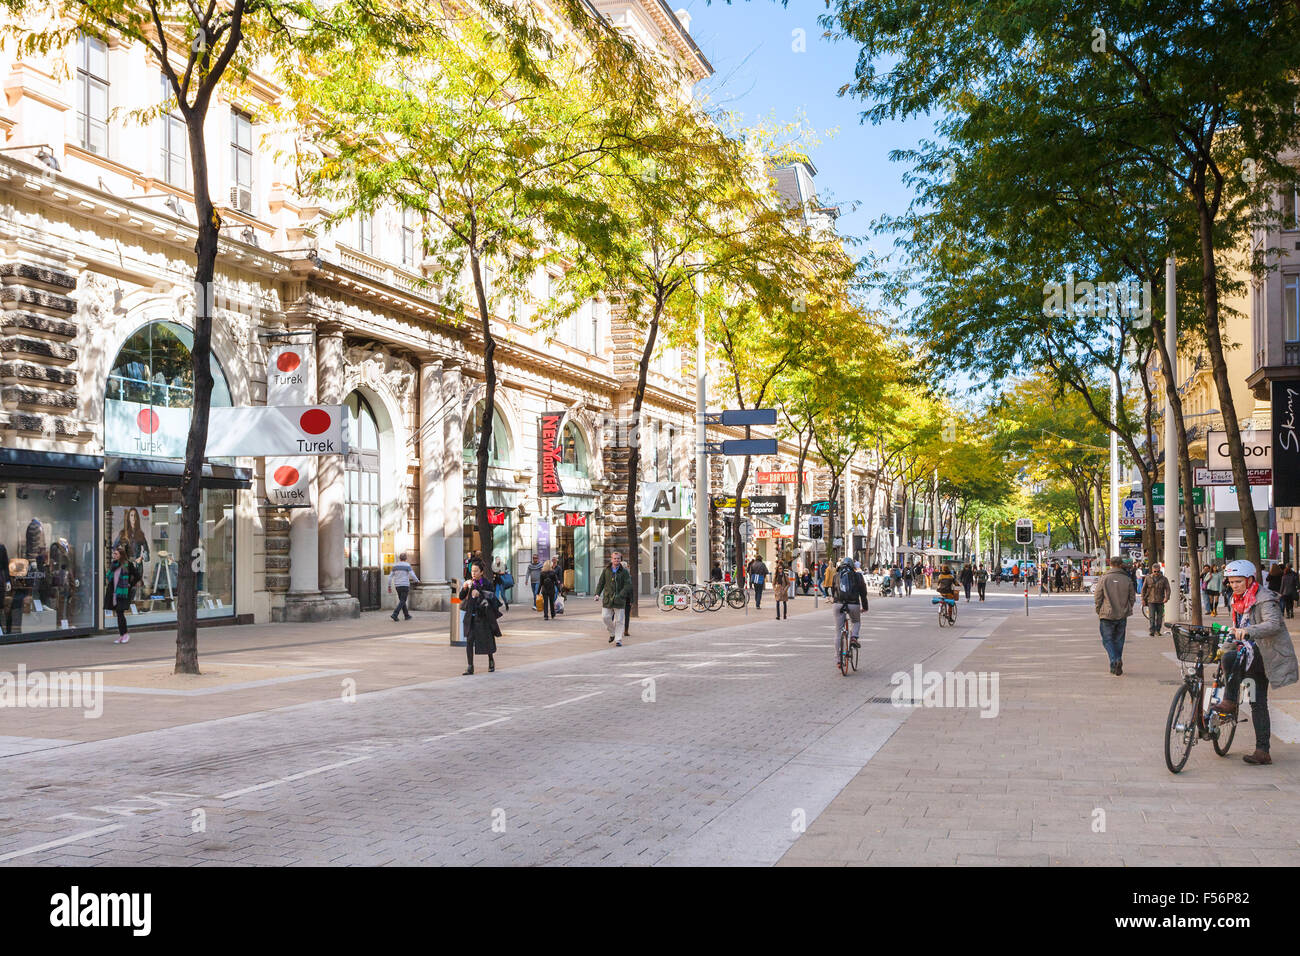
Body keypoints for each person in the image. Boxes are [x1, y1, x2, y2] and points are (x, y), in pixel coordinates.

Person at [1214, 560, 1299, 765]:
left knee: (1256, 700)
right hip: (1246, 650)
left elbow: (1273, 624)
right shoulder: (1237, 598)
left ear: (1250, 579)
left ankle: (1231, 702)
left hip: (1262, 654)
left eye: (1238, 581)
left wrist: (1249, 631)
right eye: (1231, 582)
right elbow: (1238, 625)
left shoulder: (1264, 599)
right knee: (1229, 659)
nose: (1234, 585)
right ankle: (1263, 751)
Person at [1095, 556, 1136, 675]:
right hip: (1122, 614)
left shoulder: (1104, 578)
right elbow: (1132, 597)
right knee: (1119, 640)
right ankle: (1115, 663)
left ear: (1110, 564)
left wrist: (1099, 609)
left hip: (1107, 614)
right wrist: (1127, 608)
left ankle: (1115, 660)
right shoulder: (1127, 579)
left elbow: (1098, 596)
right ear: (1121, 564)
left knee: (1107, 640)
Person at [458, 560, 499, 674]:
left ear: (481, 572)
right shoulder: (470, 583)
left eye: (476, 571)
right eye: (472, 571)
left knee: (487, 639)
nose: (473, 573)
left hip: (483, 616)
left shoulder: (487, 583)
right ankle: (470, 666)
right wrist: (465, 587)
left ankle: (491, 660)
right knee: (470, 640)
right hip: (471, 616)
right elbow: (461, 597)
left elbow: (492, 598)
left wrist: (479, 593)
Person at [829, 556, 869, 657]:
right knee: (856, 622)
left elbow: (833, 592)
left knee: (838, 630)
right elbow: (863, 593)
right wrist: (865, 606)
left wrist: (834, 600)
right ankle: (854, 638)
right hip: (853, 604)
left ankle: (838, 658)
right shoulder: (858, 576)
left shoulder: (836, 576)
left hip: (838, 604)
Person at [594, 550, 633, 647]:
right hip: (608, 599)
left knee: (619, 620)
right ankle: (612, 633)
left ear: (620, 560)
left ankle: (618, 639)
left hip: (619, 600)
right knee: (605, 617)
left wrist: (621, 595)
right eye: (614, 558)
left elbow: (628, 585)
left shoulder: (624, 572)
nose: (616, 560)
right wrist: (597, 594)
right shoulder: (606, 570)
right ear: (611, 559)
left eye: (618, 559)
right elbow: (601, 583)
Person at [104, 545, 140, 644]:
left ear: (121, 555)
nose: (113, 555)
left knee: (120, 612)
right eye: (113, 553)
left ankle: (125, 634)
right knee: (118, 613)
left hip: (123, 592)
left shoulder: (128, 564)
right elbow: (109, 577)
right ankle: (122, 635)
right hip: (114, 592)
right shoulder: (114, 564)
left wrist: (130, 584)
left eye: (116, 554)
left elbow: (137, 575)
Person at [387, 551, 419, 622]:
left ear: (399, 558)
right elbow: (412, 575)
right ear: (406, 558)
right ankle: (395, 614)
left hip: (397, 586)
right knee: (403, 600)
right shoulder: (407, 565)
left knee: (402, 601)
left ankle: (406, 615)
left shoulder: (395, 566)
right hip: (405, 585)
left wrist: (389, 586)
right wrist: (417, 581)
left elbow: (390, 577)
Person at [1141, 562, 1171, 637]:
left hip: (1160, 600)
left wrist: (1166, 598)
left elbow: (1168, 589)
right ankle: (1152, 630)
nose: (1156, 573)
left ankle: (1158, 630)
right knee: (1151, 616)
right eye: (1155, 571)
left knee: (1160, 617)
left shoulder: (1164, 579)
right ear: (1152, 570)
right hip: (1151, 600)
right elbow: (1143, 589)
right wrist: (1143, 599)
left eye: (1158, 571)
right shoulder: (1148, 578)